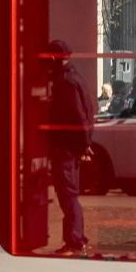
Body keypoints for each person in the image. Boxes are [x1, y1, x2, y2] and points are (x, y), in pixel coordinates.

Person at [41, 41, 94, 257]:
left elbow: (77, 115)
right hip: (71, 146)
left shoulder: (65, 83)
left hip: (65, 146)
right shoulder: (75, 78)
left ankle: (75, 241)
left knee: (67, 194)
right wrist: (85, 143)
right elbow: (87, 112)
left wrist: (84, 145)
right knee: (69, 194)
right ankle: (74, 239)